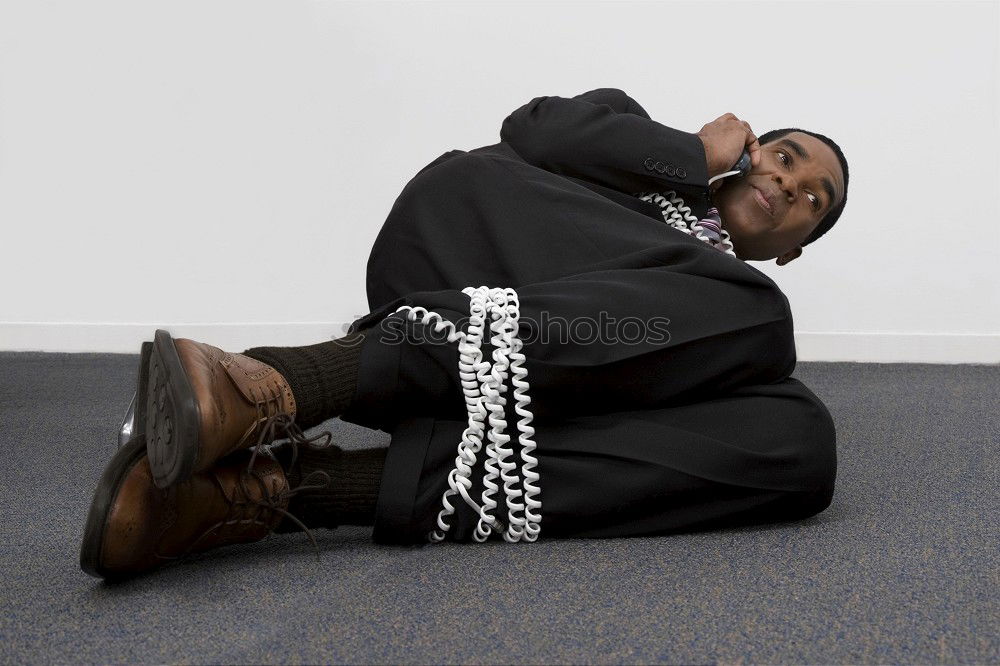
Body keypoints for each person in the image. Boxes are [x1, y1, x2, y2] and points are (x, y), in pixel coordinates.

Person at [80, 87, 849, 580]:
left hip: (530, 394)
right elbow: (532, 127)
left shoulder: (732, 317)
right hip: (466, 254)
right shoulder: (641, 140)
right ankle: (281, 384)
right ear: (748, 150)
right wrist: (686, 156)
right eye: (785, 158)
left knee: (803, 440)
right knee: (760, 314)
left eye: (812, 200)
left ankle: (281, 491)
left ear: (792, 249)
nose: (790, 185)